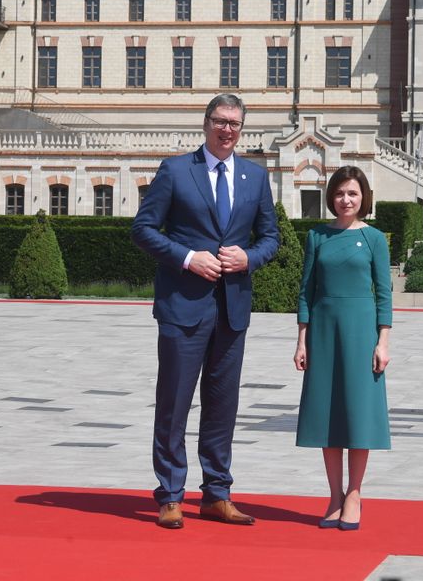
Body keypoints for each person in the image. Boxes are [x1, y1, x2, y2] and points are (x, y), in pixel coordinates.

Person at [131, 93, 279, 530]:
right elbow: (142, 229)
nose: (227, 129)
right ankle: (171, 495)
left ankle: (217, 493)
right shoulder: (177, 170)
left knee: (222, 405)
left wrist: (249, 259)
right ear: (206, 123)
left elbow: (270, 237)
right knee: (174, 403)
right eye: (220, 121)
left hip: (232, 310)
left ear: (242, 129)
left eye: (235, 123)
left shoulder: (255, 177)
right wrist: (187, 257)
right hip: (183, 308)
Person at [293, 165, 391, 532]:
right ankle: (334, 495)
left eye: (352, 193)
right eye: (339, 194)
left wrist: (383, 342)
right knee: (326, 415)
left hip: (361, 331)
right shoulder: (317, 236)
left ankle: (355, 493)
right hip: (323, 331)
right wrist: (302, 339)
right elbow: (306, 291)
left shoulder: (374, 239)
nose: (345, 200)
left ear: (363, 196)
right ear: (330, 197)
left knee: (357, 413)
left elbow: (384, 293)